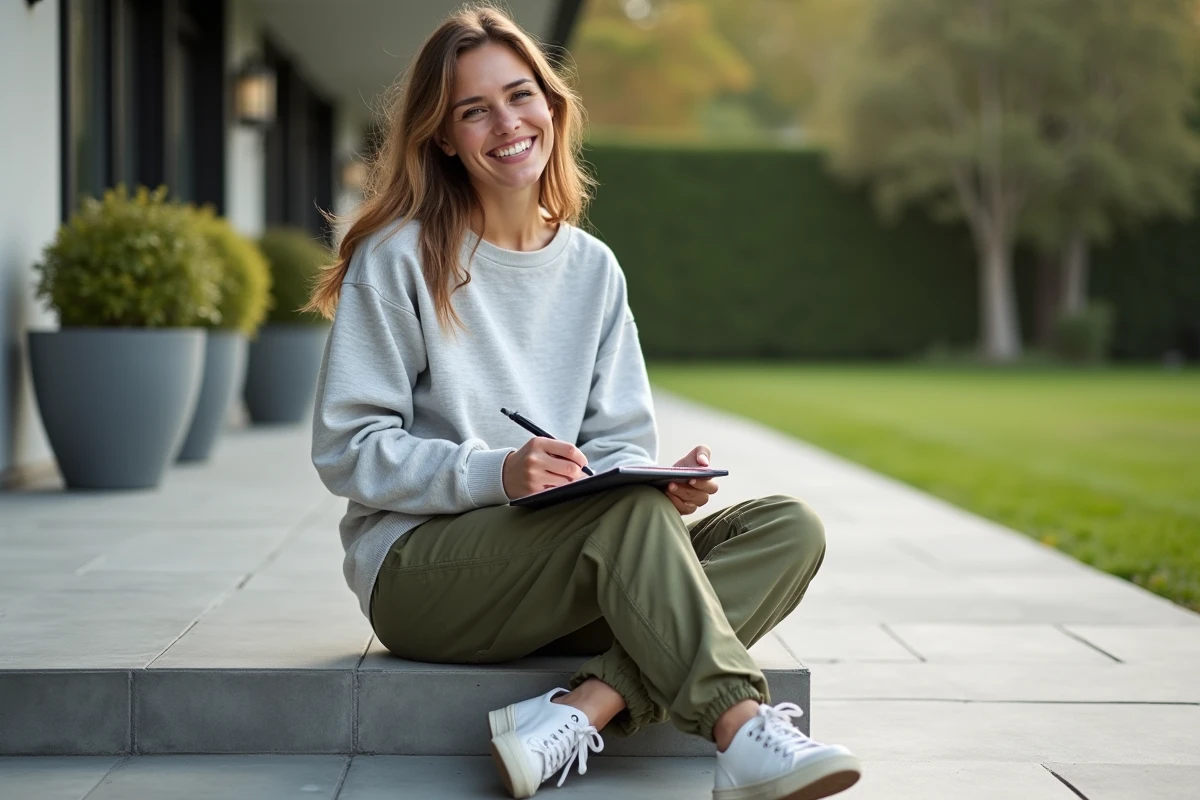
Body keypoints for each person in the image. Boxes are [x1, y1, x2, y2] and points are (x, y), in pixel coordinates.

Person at [305, 5, 862, 799]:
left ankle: (583, 707)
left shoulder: (594, 269)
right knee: (622, 518)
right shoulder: (397, 259)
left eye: (521, 94)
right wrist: (497, 473)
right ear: (443, 136)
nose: (507, 122)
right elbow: (347, 449)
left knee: (787, 529)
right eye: (474, 109)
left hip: (568, 565)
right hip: (422, 576)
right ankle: (740, 732)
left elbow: (617, 444)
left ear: (552, 107)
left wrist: (661, 481)